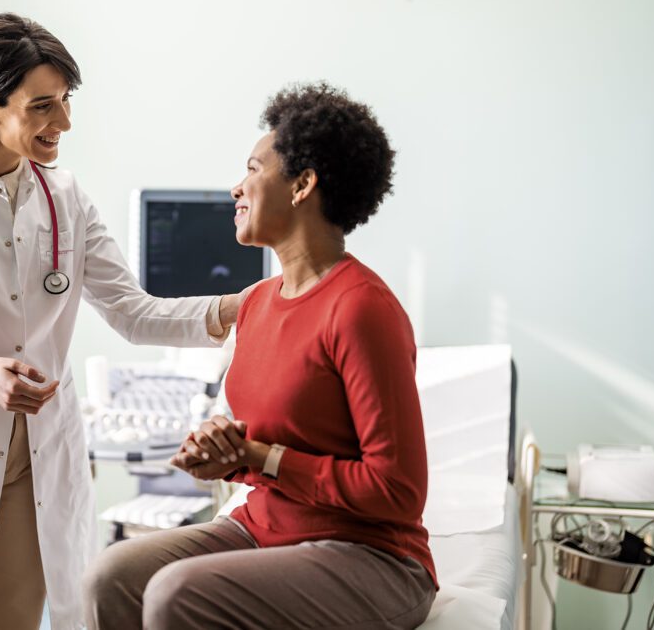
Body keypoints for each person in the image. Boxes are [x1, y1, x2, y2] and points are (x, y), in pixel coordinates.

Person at [0, 13, 247, 630]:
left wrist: (243, 307)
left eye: (65, 102)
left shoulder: (65, 198)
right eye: (42, 107)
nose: (63, 123)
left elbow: (134, 314)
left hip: (34, 463)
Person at [83, 82, 437, 629]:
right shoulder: (257, 304)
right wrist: (224, 447)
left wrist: (259, 457)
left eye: (252, 169)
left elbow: (398, 492)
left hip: (370, 554)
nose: (236, 187)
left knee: (176, 594)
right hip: (265, 527)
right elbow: (268, 433)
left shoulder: (362, 309)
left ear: (303, 185)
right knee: (109, 577)